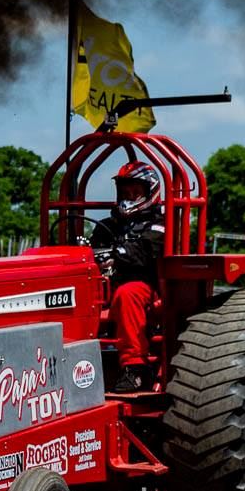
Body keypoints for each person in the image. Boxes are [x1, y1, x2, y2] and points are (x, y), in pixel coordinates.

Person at [90, 160, 165, 392]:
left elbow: (146, 254)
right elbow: (92, 250)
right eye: (125, 191)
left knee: (127, 294)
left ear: (149, 191)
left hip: (147, 287)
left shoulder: (159, 223)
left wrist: (117, 253)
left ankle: (135, 369)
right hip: (107, 285)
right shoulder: (107, 225)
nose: (129, 196)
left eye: (135, 191)